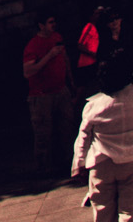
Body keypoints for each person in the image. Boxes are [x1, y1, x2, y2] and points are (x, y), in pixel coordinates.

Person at [71, 54, 133, 222]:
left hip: (102, 163)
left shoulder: (93, 106)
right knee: (131, 208)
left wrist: (79, 164)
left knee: (103, 210)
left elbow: (83, 138)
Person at [23, 13, 75, 176]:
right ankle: (43, 167)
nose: (54, 24)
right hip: (41, 95)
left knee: (67, 126)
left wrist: (71, 82)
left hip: (60, 90)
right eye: (50, 22)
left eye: (54, 21)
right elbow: (28, 71)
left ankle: (68, 161)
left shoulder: (57, 37)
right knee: (44, 132)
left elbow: (65, 59)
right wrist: (49, 55)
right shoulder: (33, 45)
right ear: (41, 25)